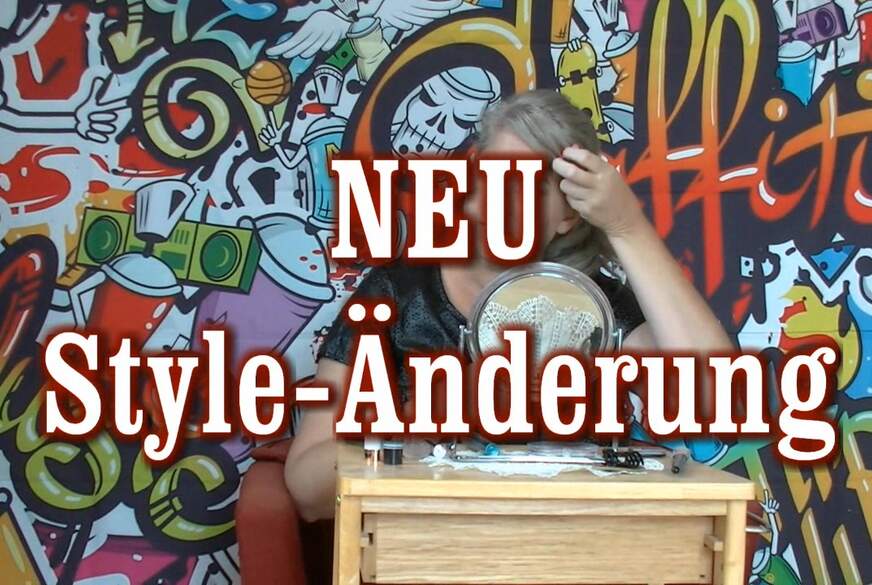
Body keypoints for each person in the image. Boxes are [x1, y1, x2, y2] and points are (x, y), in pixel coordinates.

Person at [284, 90, 733, 522]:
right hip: (428, 548)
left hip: (565, 547)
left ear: (568, 216)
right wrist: (419, 425)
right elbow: (306, 490)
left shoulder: (592, 306)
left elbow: (716, 399)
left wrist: (627, 226)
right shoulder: (394, 296)